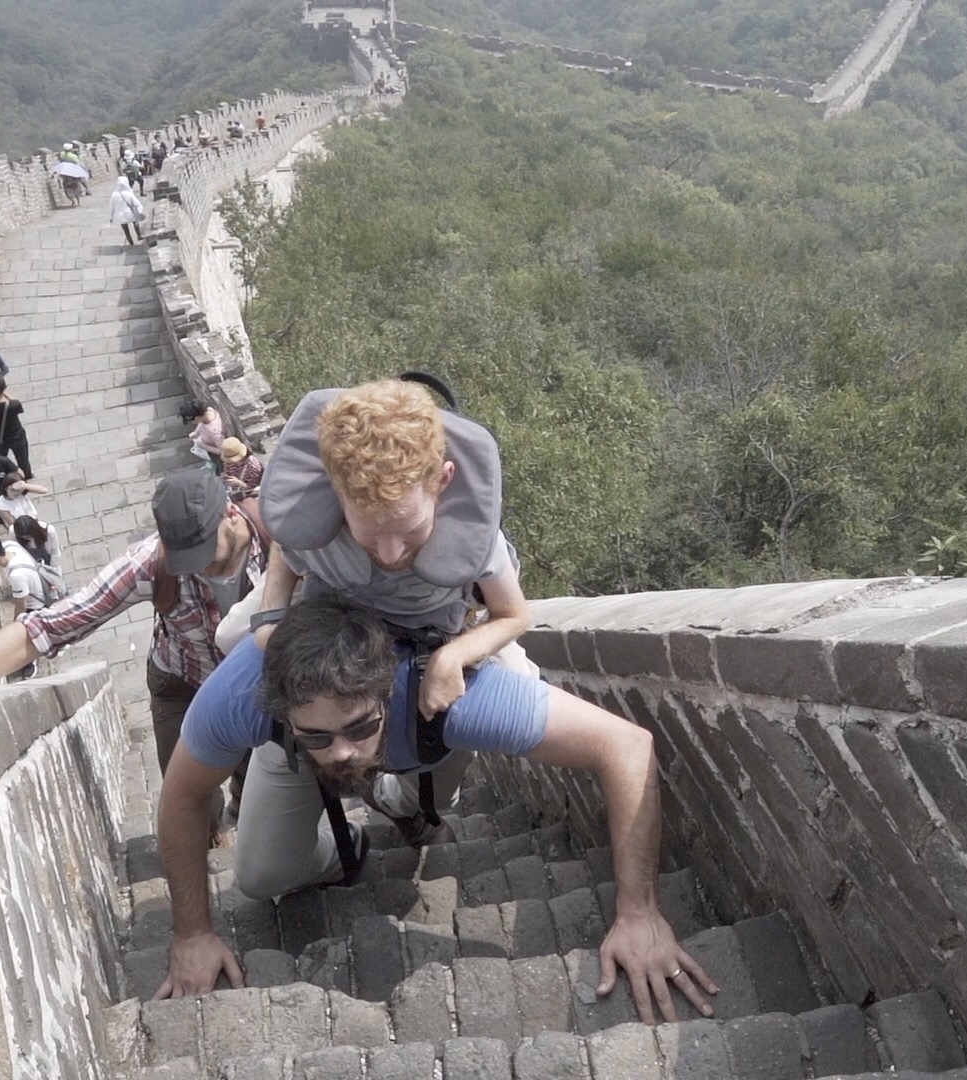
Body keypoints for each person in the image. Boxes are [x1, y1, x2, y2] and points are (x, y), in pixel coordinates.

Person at [152, 378, 719, 1024]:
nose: (391, 557)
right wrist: (191, 932)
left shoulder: (469, 564)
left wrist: (639, 914)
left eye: (409, 537)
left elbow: (620, 737)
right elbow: (181, 790)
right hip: (311, 656)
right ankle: (333, 811)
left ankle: (403, 788)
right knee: (257, 875)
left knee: (470, 711)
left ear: (444, 481)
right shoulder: (277, 640)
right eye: (372, 538)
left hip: (436, 662)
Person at [0, 469, 265, 814]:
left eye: (204, 555)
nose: (198, 567)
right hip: (183, 682)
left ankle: (242, 802)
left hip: (255, 680)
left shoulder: (279, 535)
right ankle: (208, 829)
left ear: (230, 513)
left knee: (254, 766)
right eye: (187, 560)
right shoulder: (151, 563)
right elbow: (47, 628)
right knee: (186, 795)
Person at [0, 535, 48, 616]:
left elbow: (21, 606)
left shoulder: (16, 575)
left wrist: (15, 623)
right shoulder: (11, 545)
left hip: (35, 608)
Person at [219, 436, 264, 533]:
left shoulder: (252, 465)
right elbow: (227, 470)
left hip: (249, 495)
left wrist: (239, 483)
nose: (229, 462)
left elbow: (254, 489)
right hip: (234, 490)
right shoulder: (227, 462)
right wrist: (225, 476)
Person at [181, 400, 226, 474]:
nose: (191, 423)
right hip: (207, 441)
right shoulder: (208, 410)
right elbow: (202, 422)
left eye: (191, 421)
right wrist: (196, 432)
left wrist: (203, 445)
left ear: (197, 418)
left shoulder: (214, 432)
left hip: (213, 451)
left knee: (216, 465)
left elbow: (222, 451)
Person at [110, 176, 148, 245]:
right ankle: (139, 235)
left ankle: (130, 241)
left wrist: (111, 217)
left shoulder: (114, 195)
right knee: (135, 222)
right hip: (130, 214)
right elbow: (137, 204)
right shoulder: (129, 193)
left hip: (120, 216)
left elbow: (111, 207)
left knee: (125, 229)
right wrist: (140, 211)